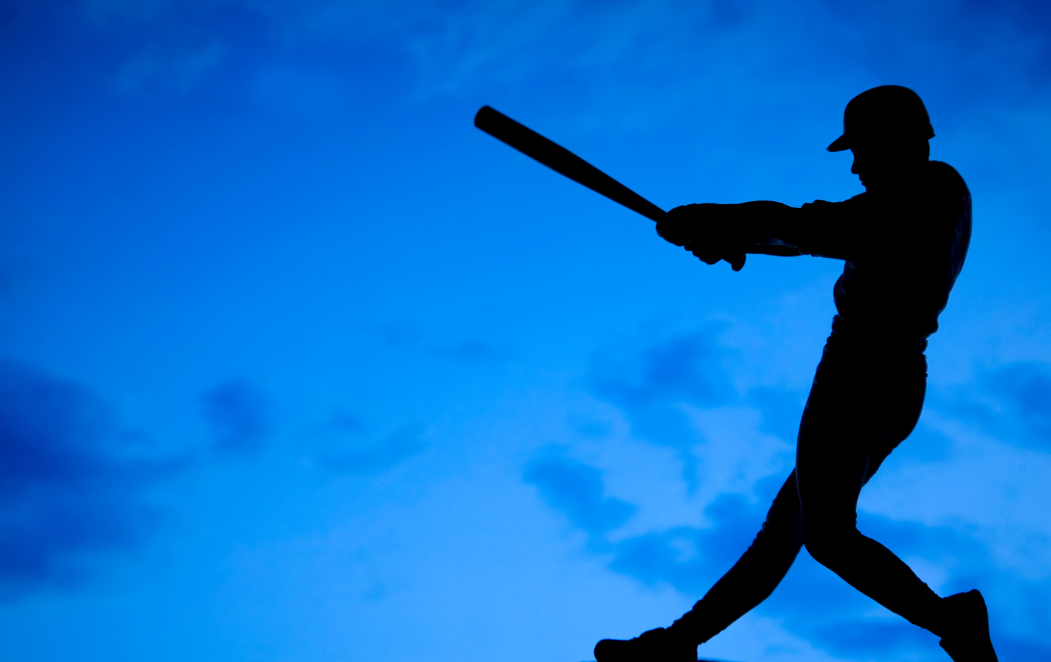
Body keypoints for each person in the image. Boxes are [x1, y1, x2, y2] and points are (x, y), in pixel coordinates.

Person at [593, 86, 997, 662]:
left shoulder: (921, 194)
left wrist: (715, 220)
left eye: (862, 148)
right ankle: (677, 644)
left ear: (899, 140)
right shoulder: (937, 196)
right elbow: (820, 237)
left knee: (827, 537)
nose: (855, 164)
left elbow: (811, 227)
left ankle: (949, 617)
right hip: (898, 381)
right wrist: (736, 239)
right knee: (788, 531)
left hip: (859, 375)